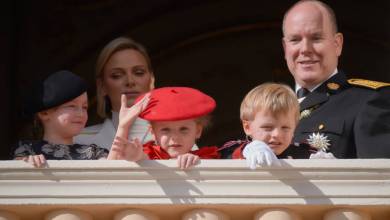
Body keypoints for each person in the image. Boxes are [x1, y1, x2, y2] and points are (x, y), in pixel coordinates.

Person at [281, 0, 390, 158]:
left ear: (337, 44)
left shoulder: (369, 101)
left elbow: (379, 178)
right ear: (285, 48)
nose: (305, 49)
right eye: (295, 40)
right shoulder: (269, 106)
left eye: (316, 38)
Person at [13, 70, 119, 167]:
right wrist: (26, 163)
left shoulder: (94, 153)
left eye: (85, 107)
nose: (81, 113)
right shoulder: (27, 150)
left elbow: (110, 173)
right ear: (44, 113)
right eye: (72, 106)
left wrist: (123, 127)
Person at [219, 83, 329, 169]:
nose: (277, 134)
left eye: (285, 128)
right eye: (267, 127)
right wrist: (245, 152)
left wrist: (328, 165)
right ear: (247, 127)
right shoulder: (235, 150)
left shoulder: (306, 153)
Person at [74, 37, 155, 150]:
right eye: (117, 75)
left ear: (151, 80)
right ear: (102, 86)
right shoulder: (77, 141)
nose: (130, 81)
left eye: (139, 73)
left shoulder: (179, 139)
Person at [109, 87, 220, 169]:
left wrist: (197, 163)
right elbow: (108, 176)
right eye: (166, 130)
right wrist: (123, 127)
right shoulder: (147, 154)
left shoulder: (207, 157)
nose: (175, 137)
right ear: (152, 132)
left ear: (198, 131)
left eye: (183, 129)